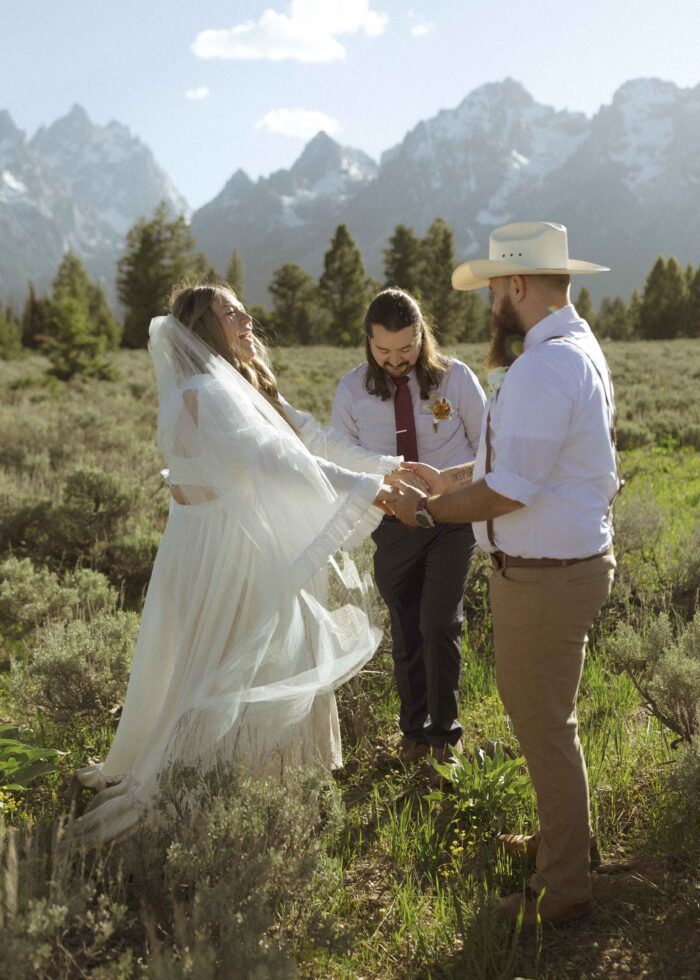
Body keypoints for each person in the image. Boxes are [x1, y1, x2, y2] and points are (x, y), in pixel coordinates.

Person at [73, 282, 406, 844]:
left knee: (227, 660)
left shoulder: (227, 385)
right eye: (231, 313)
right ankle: (227, 789)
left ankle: (259, 784)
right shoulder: (208, 389)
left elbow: (307, 442)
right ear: (204, 329)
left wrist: (389, 471)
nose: (248, 317)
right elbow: (273, 460)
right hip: (227, 550)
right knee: (240, 663)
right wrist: (372, 488)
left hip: (214, 544)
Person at [388, 223, 620, 926]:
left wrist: (430, 513)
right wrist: (451, 476)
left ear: (516, 286)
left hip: (545, 577)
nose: (492, 301)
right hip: (558, 568)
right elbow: (510, 466)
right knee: (552, 724)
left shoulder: (544, 367)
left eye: (495, 287)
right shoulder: (566, 352)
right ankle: (564, 847)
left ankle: (562, 891)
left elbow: (510, 490)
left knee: (544, 730)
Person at [331, 288, 486, 768]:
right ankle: (413, 732)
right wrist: (387, 498)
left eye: (406, 348)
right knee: (406, 627)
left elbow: (491, 450)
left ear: (423, 337)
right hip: (391, 525)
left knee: (439, 621)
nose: (396, 360)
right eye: (384, 351)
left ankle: (446, 738)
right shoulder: (351, 391)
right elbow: (339, 462)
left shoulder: (456, 379)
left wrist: (447, 487)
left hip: (451, 518)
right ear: (368, 343)